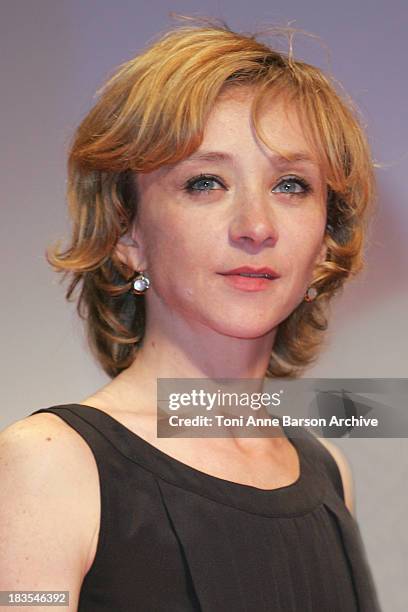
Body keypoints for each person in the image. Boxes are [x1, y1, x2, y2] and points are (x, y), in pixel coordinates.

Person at [0, 17, 382, 611]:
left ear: (326, 242)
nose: (256, 228)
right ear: (128, 233)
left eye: (291, 186)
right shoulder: (48, 463)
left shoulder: (327, 474)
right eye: (206, 182)